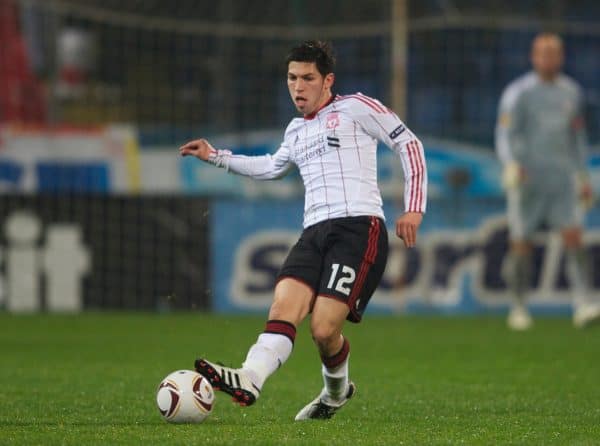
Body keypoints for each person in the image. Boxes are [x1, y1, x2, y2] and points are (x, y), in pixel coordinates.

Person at [179, 40, 427, 420]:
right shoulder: (295, 130)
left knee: (324, 331)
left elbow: (408, 143)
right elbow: (271, 167)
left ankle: (336, 392)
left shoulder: (356, 107)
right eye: (292, 78)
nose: (298, 86)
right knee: (283, 306)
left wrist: (413, 207)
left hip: (358, 229)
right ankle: (250, 377)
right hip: (313, 233)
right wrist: (216, 156)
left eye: (308, 78)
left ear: (328, 80)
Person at [495, 32, 599, 330]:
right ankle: (518, 306)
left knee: (574, 238)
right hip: (528, 180)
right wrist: (512, 164)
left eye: (554, 53)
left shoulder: (571, 92)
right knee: (521, 244)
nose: (549, 59)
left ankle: (583, 303)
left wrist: (582, 175)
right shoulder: (519, 93)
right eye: (543, 53)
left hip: (562, 179)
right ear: (533, 57)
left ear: (561, 57)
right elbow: (505, 134)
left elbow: (577, 137)